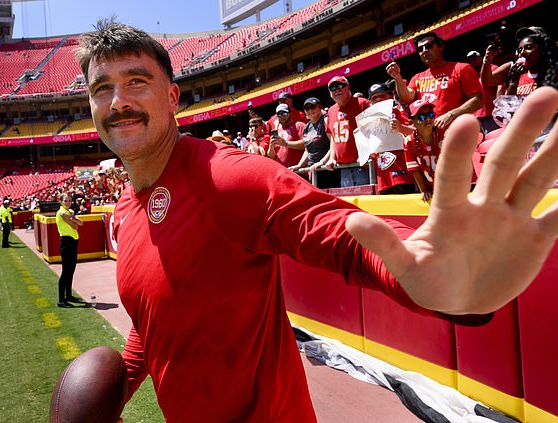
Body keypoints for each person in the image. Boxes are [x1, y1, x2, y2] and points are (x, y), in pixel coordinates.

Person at [76, 19, 558, 422]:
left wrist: (433, 275)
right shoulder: (125, 205)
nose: (119, 100)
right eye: (103, 89)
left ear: (173, 97)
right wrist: (114, 388)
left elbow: (341, 236)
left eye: (136, 81)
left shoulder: (224, 175)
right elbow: (157, 312)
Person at [386, 32, 484, 130]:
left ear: (441, 47)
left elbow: (478, 100)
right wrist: (397, 77)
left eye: (429, 46)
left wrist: (451, 115)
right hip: (430, 138)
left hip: (457, 133)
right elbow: (406, 98)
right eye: (420, 49)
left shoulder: (462, 68)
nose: (424, 51)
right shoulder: (417, 77)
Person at [366, 83, 416, 195]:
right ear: (370, 103)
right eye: (374, 98)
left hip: (403, 174)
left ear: (390, 97)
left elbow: (417, 134)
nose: (378, 99)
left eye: (382, 96)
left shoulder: (400, 111)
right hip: (383, 178)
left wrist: (401, 127)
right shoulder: (368, 120)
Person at [481, 26, 557, 98]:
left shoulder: (553, 73)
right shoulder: (513, 70)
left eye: (529, 47)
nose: (522, 53)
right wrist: (487, 59)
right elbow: (488, 81)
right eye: (520, 49)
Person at [324, 75, 371, 187]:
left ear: (348, 87)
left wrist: (366, 153)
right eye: (333, 88)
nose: (337, 90)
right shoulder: (331, 110)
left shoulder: (362, 103)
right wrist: (332, 158)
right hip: (344, 168)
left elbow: (373, 131)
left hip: (363, 166)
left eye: (341, 85)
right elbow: (334, 138)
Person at [289, 97, 340, 189]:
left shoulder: (325, 121)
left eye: (312, 107)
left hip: (327, 168)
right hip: (314, 170)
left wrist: (322, 162)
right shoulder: (306, 127)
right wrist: (299, 165)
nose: (310, 110)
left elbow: (334, 143)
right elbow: (307, 150)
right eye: (307, 108)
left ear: (319, 107)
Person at [402, 99, 445, 203]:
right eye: (421, 117)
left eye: (430, 114)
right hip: (431, 189)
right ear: (412, 122)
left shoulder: (445, 134)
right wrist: (424, 190)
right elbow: (415, 170)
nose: (428, 119)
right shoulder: (409, 142)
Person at [55, 193, 85, 308]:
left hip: (72, 242)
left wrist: (72, 218)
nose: (68, 202)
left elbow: (81, 223)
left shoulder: (68, 212)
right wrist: (73, 219)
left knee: (71, 270)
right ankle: (61, 300)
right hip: (66, 242)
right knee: (66, 272)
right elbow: (76, 226)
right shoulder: (62, 213)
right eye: (65, 200)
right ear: (61, 201)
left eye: (69, 200)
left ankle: (68, 295)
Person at [466, 50, 502, 134]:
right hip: (477, 117)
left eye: (475, 58)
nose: (473, 61)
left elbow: (500, 86)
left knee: (495, 138)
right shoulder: (471, 75)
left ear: (481, 58)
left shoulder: (492, 68)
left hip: (492, 114)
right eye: (470, 60)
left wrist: (499, 107)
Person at [266, 103, 306, 167]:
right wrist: (271, 147)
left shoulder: (299, 125)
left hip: (299, 171)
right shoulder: (277, 132)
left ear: (290, 113)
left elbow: (306, 144)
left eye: (284, 113)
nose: (282, 116)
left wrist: (286, 144)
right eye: (279, 114)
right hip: (283, 172)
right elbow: (272, 157)